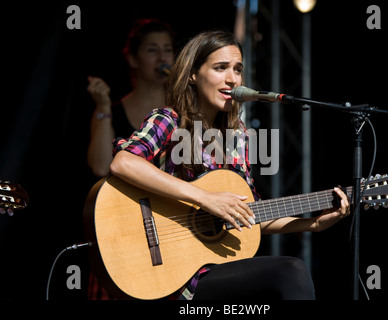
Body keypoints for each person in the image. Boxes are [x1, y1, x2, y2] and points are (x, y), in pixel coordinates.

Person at [108, 30, 350, 300]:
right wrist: (205, 198)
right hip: (172, 272)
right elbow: (124, 163)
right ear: (193, 74)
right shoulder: (169, 120)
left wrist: (312, 224)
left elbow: (249, 214)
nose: (232, 78)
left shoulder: (239, 137)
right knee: (290, 271)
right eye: (220, 68)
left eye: (237, 69)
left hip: (216, 269)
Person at [86, 18, 175, 177]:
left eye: (168, 50)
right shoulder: (112, 112)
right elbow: (100, 168)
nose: (163, 58)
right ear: (133, 59)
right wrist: (103, 108)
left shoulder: (183, 109)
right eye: (152, 50)